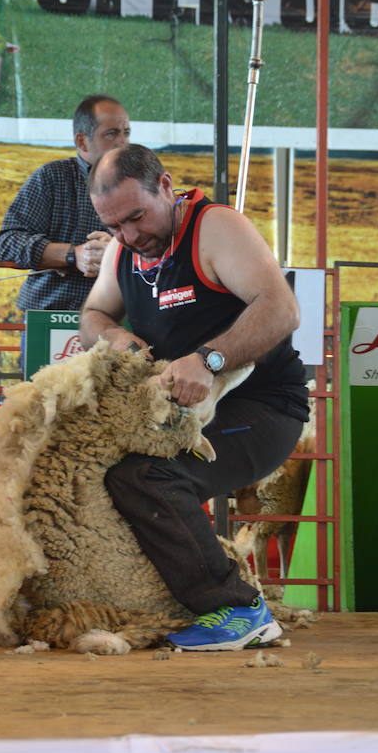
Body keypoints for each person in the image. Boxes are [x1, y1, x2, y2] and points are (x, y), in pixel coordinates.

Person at [80, 144, 310, 651]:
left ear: (165, 186)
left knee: (147, 476)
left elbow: (282, 310)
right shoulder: (124, 250)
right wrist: (114, 338)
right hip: (185, 415)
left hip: (262, 405)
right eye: (115, 225)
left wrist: (208, 359)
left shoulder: (215, 229)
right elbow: (93, 315)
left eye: (137, 217)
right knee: (102, 470)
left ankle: (237, 608)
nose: (129, 235)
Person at [0, 93, 131, 312]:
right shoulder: (52, 178)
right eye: (111, 134)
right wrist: (72, 255)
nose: (123, 142)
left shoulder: (139, 184)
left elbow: (164, 244)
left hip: (118, 319)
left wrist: (118, 251)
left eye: (126, 133)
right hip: (50, 314)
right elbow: (7, 242)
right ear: (82, 141)